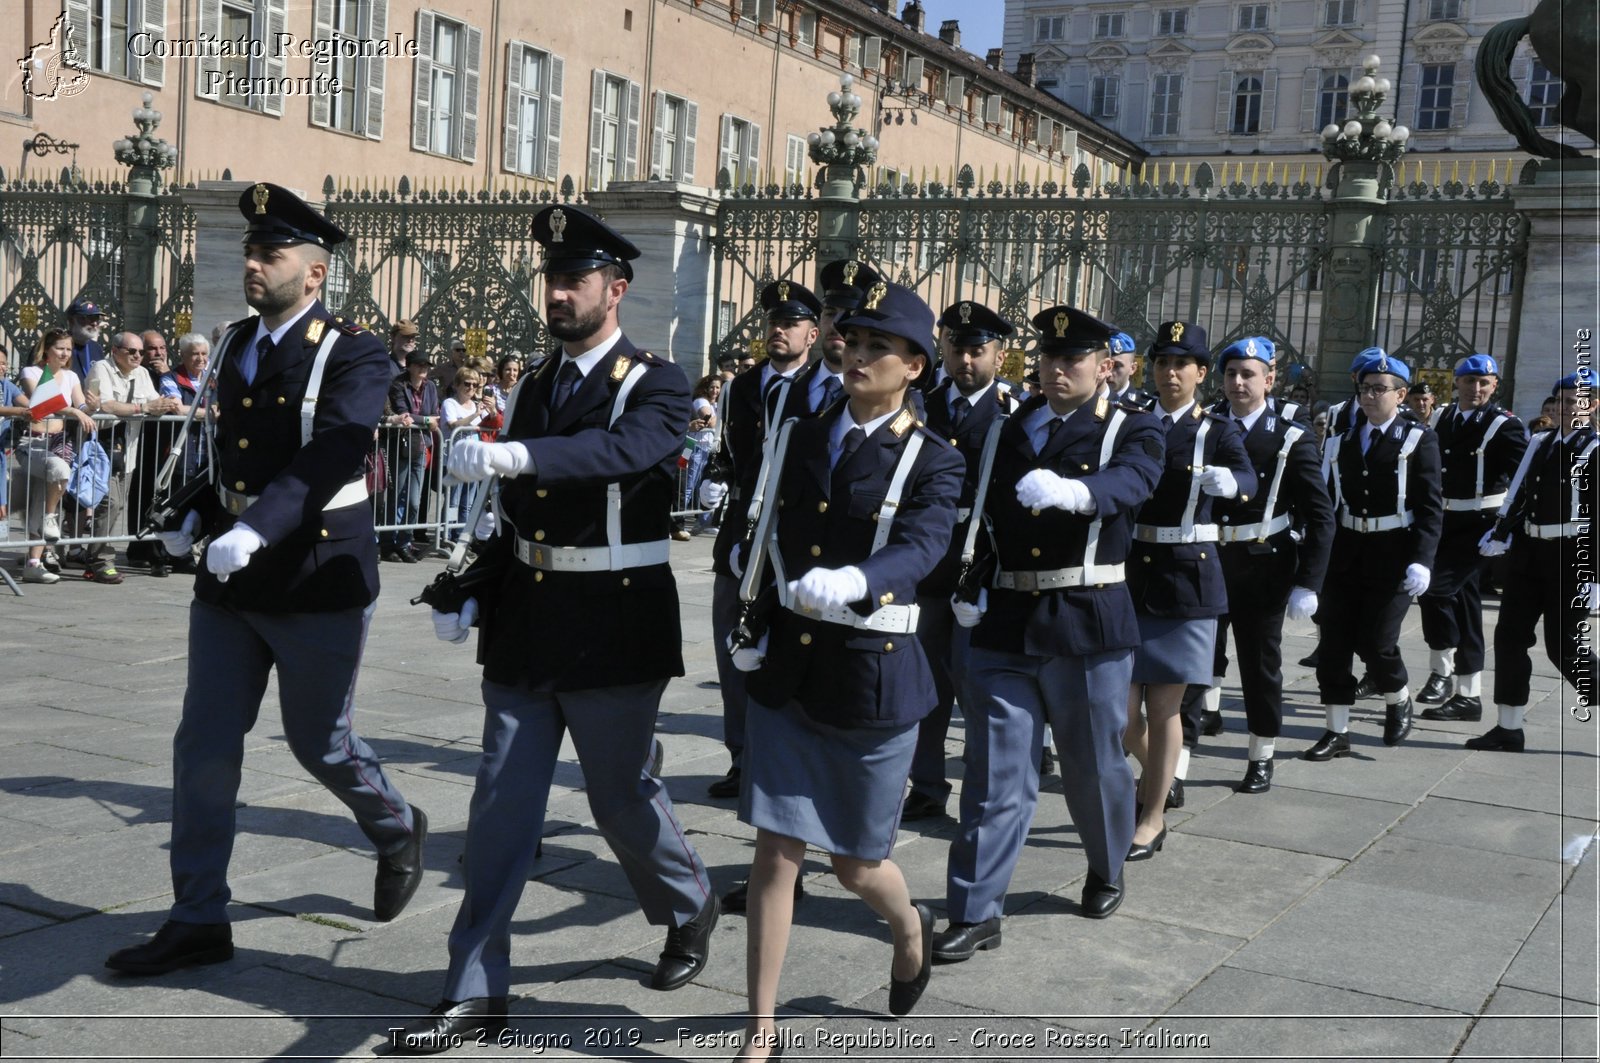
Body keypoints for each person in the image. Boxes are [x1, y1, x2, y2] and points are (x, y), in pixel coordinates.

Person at [394, 205, 715, 1053]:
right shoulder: (538, 381)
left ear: (616, 288)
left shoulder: (657, 380)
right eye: (552, 279)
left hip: (614, 619)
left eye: (576, 280)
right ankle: (474, 987)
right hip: (530, 618)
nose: (560, 293)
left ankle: (690, 902)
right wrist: (472, 586)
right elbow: (520, 515)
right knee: (499, 804)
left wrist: (517, 454)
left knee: (621, 799)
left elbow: (625, 454)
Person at [104, 182, 426, 976]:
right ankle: (198, 916)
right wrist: (203, 508)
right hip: (233, 578)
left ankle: (395, 826)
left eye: (269, 253)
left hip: (316, 572)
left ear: (313, 273)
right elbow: (238, 452)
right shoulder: (235, 341)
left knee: (322, 744)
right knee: (203, 746)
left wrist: (253, 525)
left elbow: (335, 450)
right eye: (250, 251)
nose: (253, 262)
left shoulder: (353, 351)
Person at [729, 280, 961, 1059]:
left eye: (879, 348)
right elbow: (767, 520)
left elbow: (926, 545)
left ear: (916, 367)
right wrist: (751, 594)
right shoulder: (802, 429)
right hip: (791, 666)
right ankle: (761, 1028)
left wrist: (861, 579)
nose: (858, 355)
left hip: (873, 674)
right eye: (853, 342)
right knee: (776, 849)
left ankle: (907, 925)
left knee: (858, 863)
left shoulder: (936, 459)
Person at [934, 306, 1164, 965]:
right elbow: (980, 506)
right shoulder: (1012, 424)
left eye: (1075, 359)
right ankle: (976, 908)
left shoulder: (1130, 426)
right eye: (1050, 357)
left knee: (1093, 765)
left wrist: (1076, 492)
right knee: (993, 772)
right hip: (1005, 618)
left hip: (1085, 616)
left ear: (1104, 365)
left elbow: (1137, 480)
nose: (1059, 369)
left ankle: (1106, 862)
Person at [1123, 322, 1254, 853]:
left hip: (1185, 577)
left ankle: (1151, 816)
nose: (1169, 373)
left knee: (1163, 709)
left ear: (1202, 373)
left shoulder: (1217, 430)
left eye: (1181, 364)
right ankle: (1163, 775)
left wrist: (1233, 484)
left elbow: (1248, 480)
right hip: (1130, 573)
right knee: (1117, 714)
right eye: (1161, 363)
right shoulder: (1131, 422)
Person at [703, 276, 834, 803]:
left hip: (795, 533)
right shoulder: (743, 386)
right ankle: (741, 755)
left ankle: (786, 757)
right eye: (772, 323)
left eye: (790, 324)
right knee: (731, 643)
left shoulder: (829, 388)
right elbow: (735, 456)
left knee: (787, 648)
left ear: (812, 333)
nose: (778, 332)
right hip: (740, 530)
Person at [903, 299, 1018, 822]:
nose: (965, 361)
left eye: (977, 351)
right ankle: (926, 784)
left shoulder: (1015, 412)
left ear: (999, 354)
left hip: (983, 561)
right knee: (924, 679)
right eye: (956, 348)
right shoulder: (918, 403)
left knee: (978, 686)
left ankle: (983, 791)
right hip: (926, 559)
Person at [1207, 337, 1334, 792]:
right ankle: (1178, 760)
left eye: (1248, 374)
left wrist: (1309, 581)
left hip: (1263, 563)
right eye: (1231, 374)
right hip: (1208, 559)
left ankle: (1261, 753)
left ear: (1269, 379)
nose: (1238, 383)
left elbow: (1320, 513)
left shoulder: (1290, 434)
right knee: (1198, 658)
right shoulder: (1208, 427)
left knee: (1260, 664)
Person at [1305, 351, 1443, 760]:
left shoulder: (1419, 439)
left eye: (1379, 389)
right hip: (1346, 554)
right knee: (1333, 645)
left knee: (1377, 642)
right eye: (1364, 388)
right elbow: (1328, 505)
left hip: (1393, 553)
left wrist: (1422, 560)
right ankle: (1336, 730)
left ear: (1401, 395)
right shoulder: (1338, 441)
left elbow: (1431, 506)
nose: (1368, 396)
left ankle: (1398, 697)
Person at [1472, 370, 1597, 751]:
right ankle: (1508, 727)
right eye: (1558, 401)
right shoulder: (1540, 441)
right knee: (1509, 637)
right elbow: (1520, 492)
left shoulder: (1594, 449)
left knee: (1564, 647)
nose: (1562, 408)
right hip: (1529, 553)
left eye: (1572, 402)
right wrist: (1500, 530)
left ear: (1591, 407)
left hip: (1571, 556)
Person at [1412, 354, 1529, 723]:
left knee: (1436, 589)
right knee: (1465, 607)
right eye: (1468, 381)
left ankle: (1443, 671)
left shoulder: (1504, 425)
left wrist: (1506, 528)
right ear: (1456, 383)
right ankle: (1468, 694)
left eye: (1484, 382)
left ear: (1495, 386)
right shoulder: (1443, 416)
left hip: (1479, 523)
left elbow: (1525, 480)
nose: (1475, 388)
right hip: (1442, 521)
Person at [84, 331, 180, 583]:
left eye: (140, 352)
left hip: (129, 450)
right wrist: (142, 409)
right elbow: (105, 405)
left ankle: (89, 552)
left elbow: (155, 404)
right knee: (110, 503)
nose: (138, 356)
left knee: (116, 505)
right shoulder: (101, 369)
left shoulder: (142, 374)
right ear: (115, 351)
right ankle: (100, 560)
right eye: (132, 351)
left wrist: (155, 406)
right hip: (102, 449)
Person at [13, 330, 98, 583]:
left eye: (69, 349)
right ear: (47, 349)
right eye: (60, 348)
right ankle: (52, 518)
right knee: (60, 470)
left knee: (40, 499)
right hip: (33, 444)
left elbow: (81, 405)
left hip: (58, 443)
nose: (65, 354)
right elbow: (44, 402)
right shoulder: (32, 372)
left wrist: (90, 407)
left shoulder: (71, 376)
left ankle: (33, 563)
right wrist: (73, 410)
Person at [380, 349, 441, 562]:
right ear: (410, 366)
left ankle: (405, 541)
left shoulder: (431, 387)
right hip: (401, 445)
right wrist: (425, 421)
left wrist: (422, 419)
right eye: (419, 365)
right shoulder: (398, 384)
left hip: (421, 445)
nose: (424, 369)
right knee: (396, 495)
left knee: (414, 500)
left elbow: (435, 413)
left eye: (426, 365)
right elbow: (404, 412)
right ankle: (388, 544)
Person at [438, 366, 491, 540]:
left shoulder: (477, 405)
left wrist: (492, 411)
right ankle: (448, 535)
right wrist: (475, 415)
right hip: (455, 459)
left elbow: (490, 425)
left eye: (475, 385)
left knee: (468, 503)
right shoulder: (450, 403)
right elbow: (454, 424)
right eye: (467, 384)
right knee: (453, 501)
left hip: (473, 460)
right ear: (457, 384)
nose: (471, 388)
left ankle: (462, 536)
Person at [675, 374, 722, 539]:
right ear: (705, 387)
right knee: (687, 485)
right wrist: (723, 410)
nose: (715, 391)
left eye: (718, 387)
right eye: (712, 387)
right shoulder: (701, 401)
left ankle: (702, 522)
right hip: (693, 447)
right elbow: (711, 422)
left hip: (706, 448)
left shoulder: (715, 403)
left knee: (702, 487)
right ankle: (677, 522)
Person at [66, 298, 107, 379]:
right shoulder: (57, 346)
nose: (95, 323)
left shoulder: (96, 348)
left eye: (97, 318)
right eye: (89, 318)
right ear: (72, 321)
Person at [1105, 330, 1148, 406]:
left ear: (1132, 368)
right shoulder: (1086, 400)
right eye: (1105, 365)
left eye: (1116, 366)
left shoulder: (1144, 405)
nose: (1109, 373)